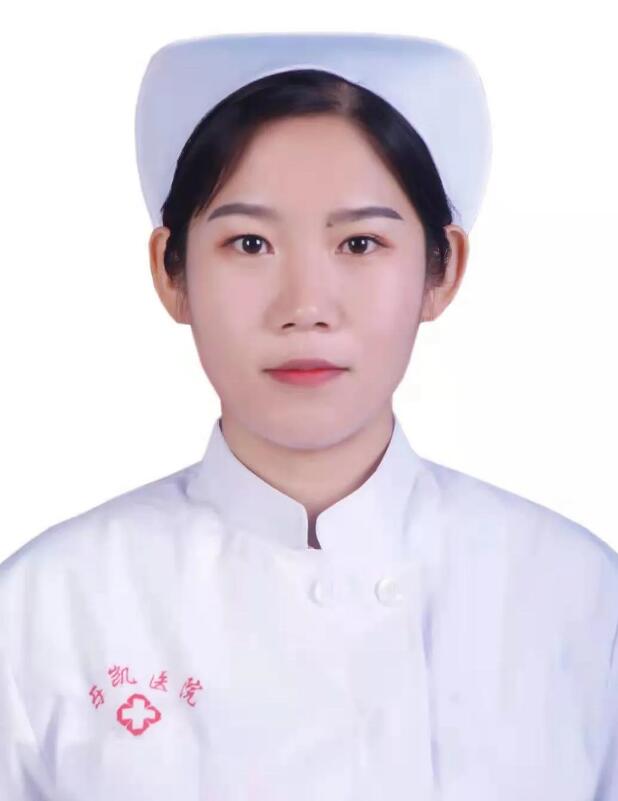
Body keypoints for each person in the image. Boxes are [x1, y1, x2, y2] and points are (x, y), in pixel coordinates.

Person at [1, 31, 616, 801]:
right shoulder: (46, 610)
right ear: (171, 272)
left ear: (442, 270)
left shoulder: (579, 597)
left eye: (359, 242)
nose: (305, 307)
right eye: (249, 242)